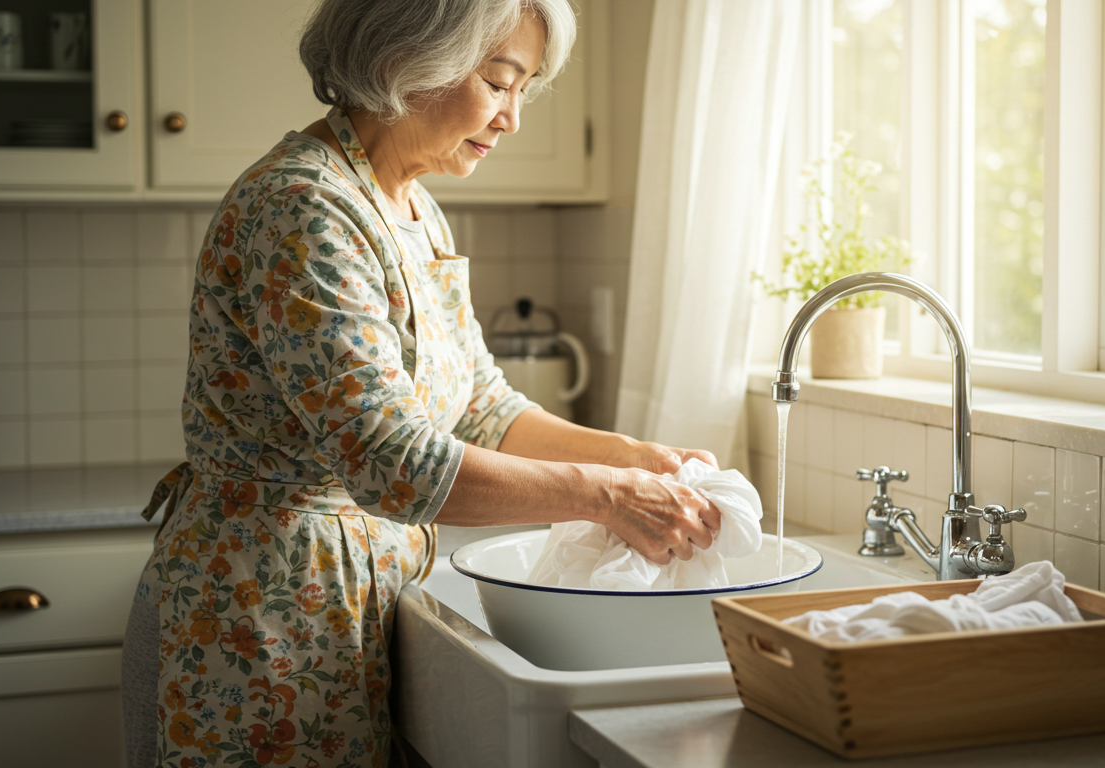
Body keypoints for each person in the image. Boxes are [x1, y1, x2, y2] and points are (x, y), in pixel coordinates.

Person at [120, 1, 723, 765]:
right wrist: (606, 495)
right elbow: (391, 461)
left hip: (349, 601)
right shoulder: (302, 206)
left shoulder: (412, 208)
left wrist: (634, 458)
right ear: (404, 58)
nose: (511, 119)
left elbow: (480, 406)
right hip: (260, 613)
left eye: (523, 90)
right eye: (498, 82)